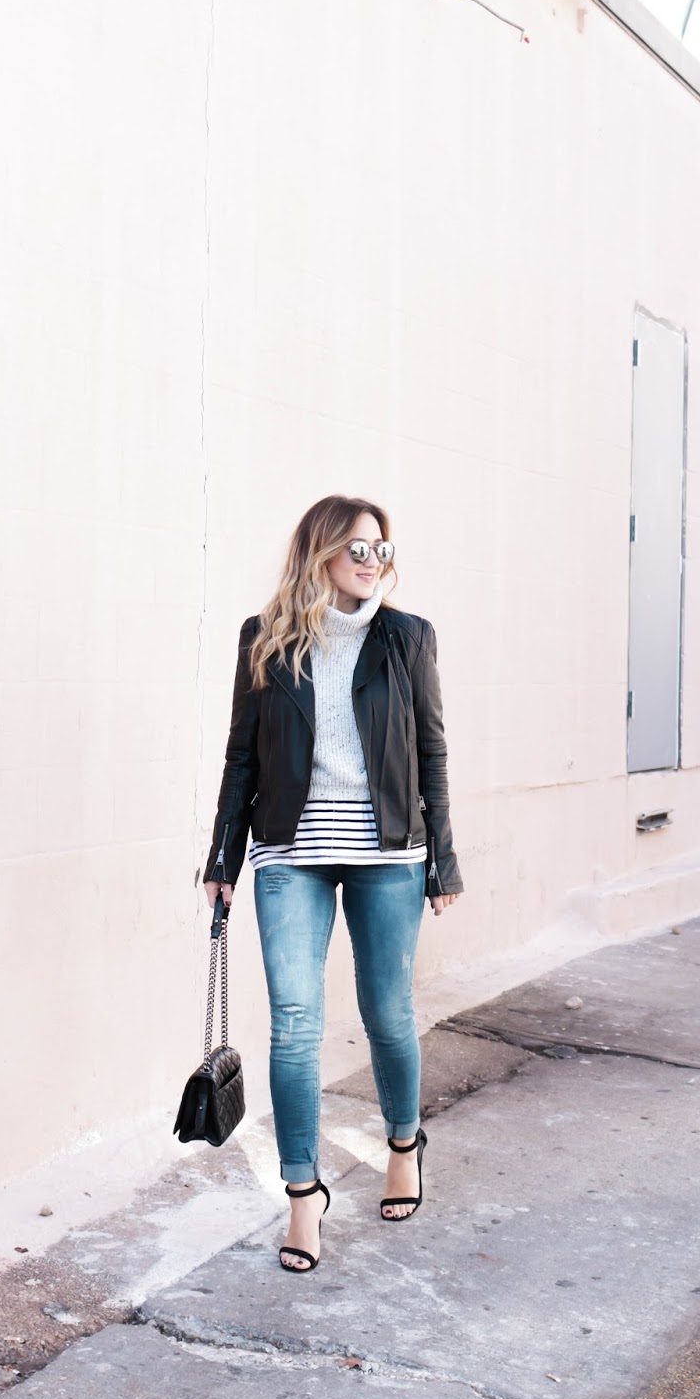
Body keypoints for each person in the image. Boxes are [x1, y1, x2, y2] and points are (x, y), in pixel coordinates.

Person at [202, 494, 463, 1272]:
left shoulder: (407, 637)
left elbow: (432, 752)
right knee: (293, 1023)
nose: (372, 561)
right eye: (358, 547)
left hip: (389, 854)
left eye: (382, 548)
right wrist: (222, 858)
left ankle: (404, 1144)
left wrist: (443, 860)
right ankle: (302, 1192)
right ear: (320, 552)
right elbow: (241, 755)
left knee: (388, 1012)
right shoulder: (266, 639)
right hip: (290, 851)